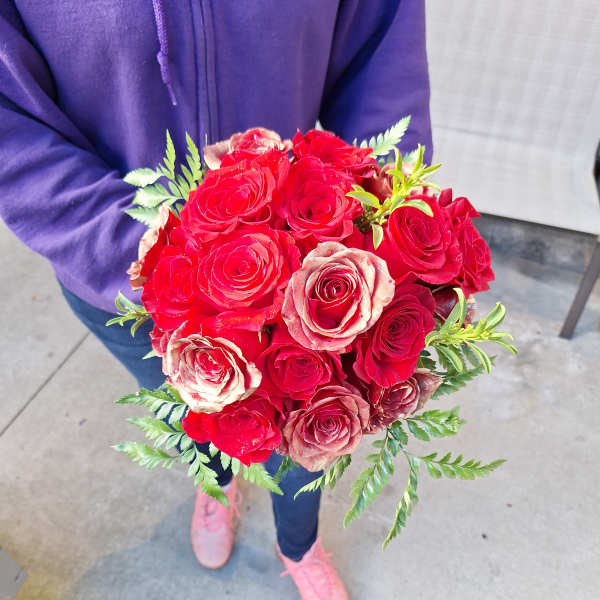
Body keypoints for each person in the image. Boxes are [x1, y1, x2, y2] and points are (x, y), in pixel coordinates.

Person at [0, 2, 432, 598]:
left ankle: (298, 544)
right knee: (198, 413)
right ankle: (218, 480)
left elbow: (381, 52)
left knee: (314, 433)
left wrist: (376, 223)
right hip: (119, 278)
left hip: (302, 279)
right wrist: (154, 260)